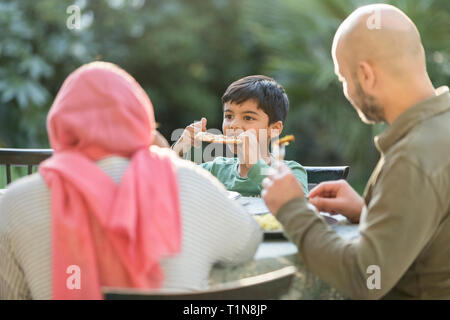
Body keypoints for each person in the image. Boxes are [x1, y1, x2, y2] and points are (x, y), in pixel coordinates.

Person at [0, 62, 262, 300]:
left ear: (58, 122)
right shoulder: (189, 181)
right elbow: (247, 244)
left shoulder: (13, 203)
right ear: (143, 120)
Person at [261, 4, 450, 299]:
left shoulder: (413, 156)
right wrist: (370, 212)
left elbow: (364, 279)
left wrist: (292, 208)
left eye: (343, 78)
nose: (346, 89)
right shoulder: (440, 128)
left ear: (366, 75)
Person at [172, 75, 308, 197]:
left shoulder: (290, 172)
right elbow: (167, 180)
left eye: (248, 118)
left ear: (274, 129)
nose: (233, 125)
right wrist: (178, 149)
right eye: (229, 116)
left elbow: (297, 204)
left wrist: (255, 164)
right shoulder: (216, 169)